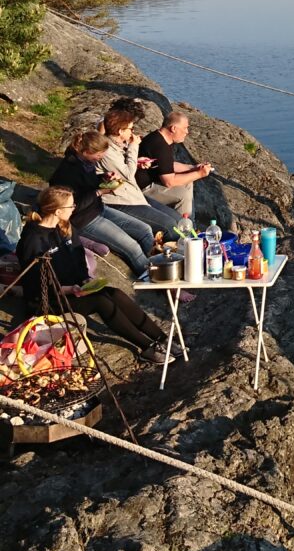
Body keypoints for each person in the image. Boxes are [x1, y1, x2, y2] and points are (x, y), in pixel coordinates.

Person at [17, 186, 174, 364]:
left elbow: (78, 258)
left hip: (75, 288)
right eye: (71, 206)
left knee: (115, 294)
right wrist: (70, 289)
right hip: (50, 299)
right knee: (102, 302)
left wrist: (84, 279)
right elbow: (38, 284)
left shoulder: (65, 227)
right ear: (58, 211)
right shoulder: (33, 240)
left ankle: (162, 338)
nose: (74, 208)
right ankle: (146, 347)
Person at [49, 130, 155, 278]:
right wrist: (99, 192)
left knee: (145, 230)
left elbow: (88, 184)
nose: (102, 158)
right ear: (86, 151)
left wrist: (103, 178)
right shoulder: (67, 172)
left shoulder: (86, 163)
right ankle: (155, 279)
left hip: (98, 209)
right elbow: (73, 206)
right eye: (99, 155)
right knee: (132, 247)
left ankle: (158, 265)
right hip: (83, 220)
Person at [97, 107, 181, 236]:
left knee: (178, 219)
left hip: (132, 194)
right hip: (119, 200)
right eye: (131, 129)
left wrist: (137, 162)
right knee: (169, 225)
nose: (132, 132)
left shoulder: (118, 145)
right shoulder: (107, 150)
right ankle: (173, 253)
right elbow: (128, 175)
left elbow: (121, 167)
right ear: (120, 131)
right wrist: (133, 146)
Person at [135, 111, 212, 217]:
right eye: (185, 128)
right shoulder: (159, 145)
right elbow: (169, 182)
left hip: (152, 182)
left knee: (187, 183)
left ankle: (188, 223)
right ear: (173, 128)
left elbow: (167, 165)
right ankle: (184, 229)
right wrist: (199, 174)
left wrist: (193, 168)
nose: (187, 132)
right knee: (183, 194)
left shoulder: (162, 138)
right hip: (143, 188)